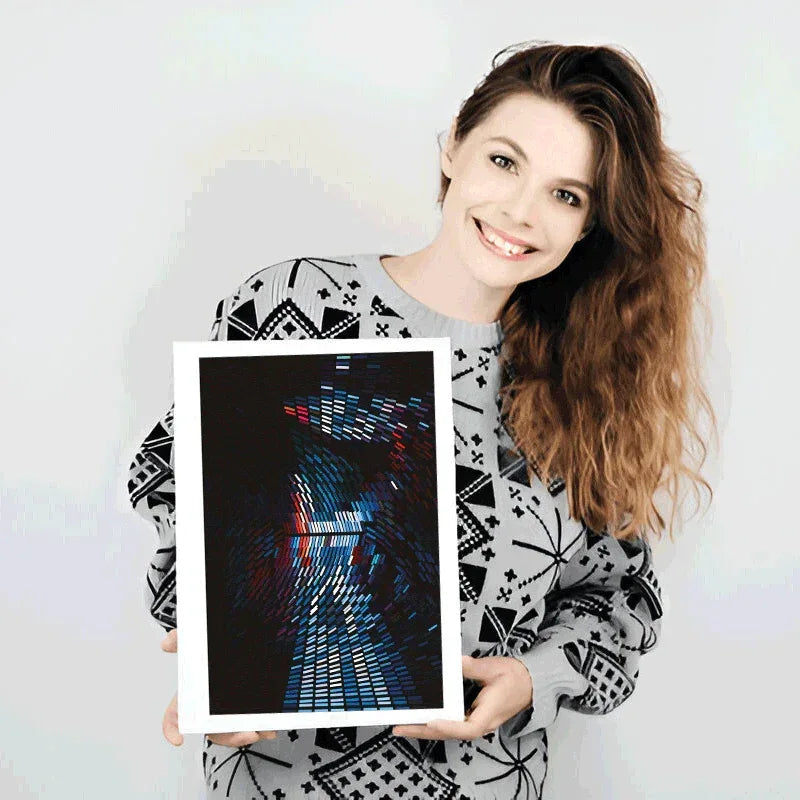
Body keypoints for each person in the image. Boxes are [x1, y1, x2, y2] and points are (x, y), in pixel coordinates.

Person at [128, 40, 715, 799]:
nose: (520, 212)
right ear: (452, 148)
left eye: (566, 196)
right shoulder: (295, 306)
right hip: (279, 779)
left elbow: (618, 603)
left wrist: (531, 678)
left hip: (482, 781)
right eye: (504, 162)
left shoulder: (588, 385)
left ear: (588, 226)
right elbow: (174, 490)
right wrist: (219, 660)